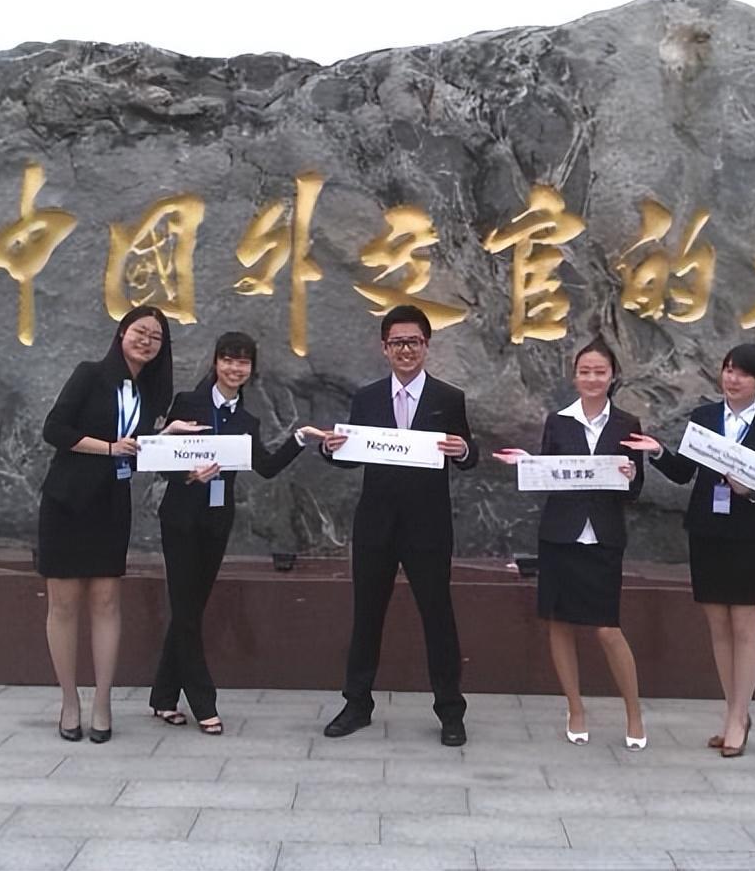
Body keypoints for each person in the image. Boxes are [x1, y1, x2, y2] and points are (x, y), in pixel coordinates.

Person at [36, 305, 201, 743]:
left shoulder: (150, 393)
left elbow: (138, 450)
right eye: (139, 332)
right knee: (64, 604)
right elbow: (55, 429)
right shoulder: (90, 374)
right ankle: (69, 702)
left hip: (111, 504)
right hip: (67, 501)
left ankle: (102, 702)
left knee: (107, 601)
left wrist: (169, 441)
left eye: (156, 337)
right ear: (122, 333)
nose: (146, 341)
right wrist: (109, 448)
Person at [622, 343, 755, 758]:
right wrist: (657, 451)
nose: (732, 379)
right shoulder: (704, 417)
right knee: (718, 627)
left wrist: (750, 490)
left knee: (745, 627)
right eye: (728, 370)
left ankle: (739, 716)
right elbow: (684, 472)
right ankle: (733, 713)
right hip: (706, 531)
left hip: (747, 534)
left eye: (743, 373)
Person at [317, 305, 479, 746]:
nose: (406, 350)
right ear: (384, 348)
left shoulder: (448, 398)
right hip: (376, 524)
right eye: (397, 343)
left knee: (438, 617)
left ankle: (450, 711)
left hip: (429, 526)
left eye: (414, 342)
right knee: (367, 615)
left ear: (426, 346)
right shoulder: (367, 398)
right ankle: (357, 704)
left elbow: (469, 457)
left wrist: (464, 450)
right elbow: (350, 455)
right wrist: (331, 448)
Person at [150, 331, 320, 735]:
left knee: (190, 610)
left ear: (251, 369)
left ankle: (163, 698)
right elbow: (160, 459)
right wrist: (188, 474)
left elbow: (266, 467)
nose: (234, 368)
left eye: (242, 362)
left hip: (216, 521)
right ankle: (204, 702)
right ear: (215, 362)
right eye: (228, 359)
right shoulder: (188, 404)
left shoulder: (246, 420)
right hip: (180, 519)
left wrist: (301, 438)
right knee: (186, 611)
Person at [493, 338, 647, 750]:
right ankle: (575, 708)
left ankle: (634, 713)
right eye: (585, 372)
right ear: (574, 377)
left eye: (600, 371)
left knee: (608, 629)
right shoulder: (558, 421)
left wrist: (631, 476)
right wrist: (527, 464)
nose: (592, 378)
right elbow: (549, 474)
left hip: (604, 537)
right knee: (559, 623)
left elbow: (635, 491)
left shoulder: (627, 423)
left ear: (612, 376)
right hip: (560, 536)